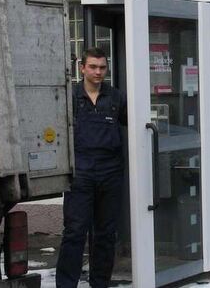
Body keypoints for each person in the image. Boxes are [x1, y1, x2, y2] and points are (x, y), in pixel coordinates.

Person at [57, 47, 127, 288]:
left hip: (110, 173)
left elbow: (135, 125)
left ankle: (100, 284)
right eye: (93, 67)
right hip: (81, 174)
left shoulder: (116, 97)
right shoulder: (71, 97)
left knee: (106, 235)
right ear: (82, 68)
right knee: (75, 232)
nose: (98, 72)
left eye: (102, 67)